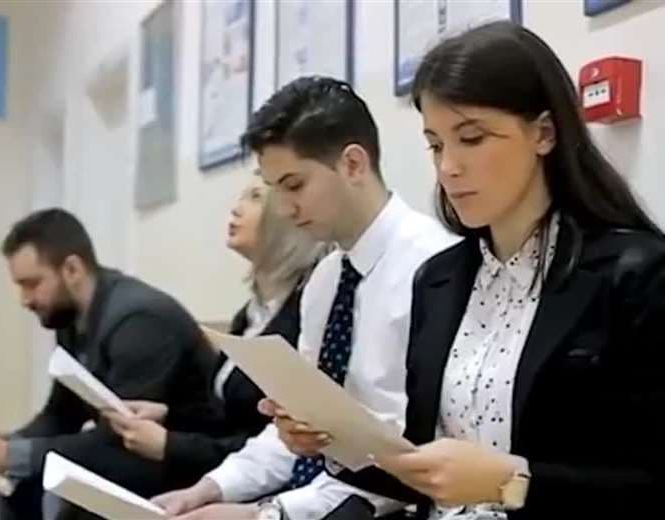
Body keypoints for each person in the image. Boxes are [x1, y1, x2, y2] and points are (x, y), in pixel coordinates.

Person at [279, 21, 665, 519]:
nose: (448, 168)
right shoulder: (438, 279)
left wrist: (514, 482)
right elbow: (426, 466)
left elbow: (649, 479)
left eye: (472, 138)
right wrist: (332, 439)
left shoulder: (634, 274)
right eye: (436, 145)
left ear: (544, 133)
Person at [152, 76, 456, 520]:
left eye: (294, 185)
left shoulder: (434, 269)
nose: (283, 208)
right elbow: (299, 428)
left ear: (353, 165)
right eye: (274, 188)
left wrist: (267, 514)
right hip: (320, 500)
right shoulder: (325, 281)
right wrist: (208, 489)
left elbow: (409, 455)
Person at [0, 209, 222, 520]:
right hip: (134, 458)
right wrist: (5, 445)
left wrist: (10, 455)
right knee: (18, 481)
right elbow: (61, 414)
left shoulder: (139, 321)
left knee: (42, 479)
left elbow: (119, 440)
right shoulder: (72, 318)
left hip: (183, 463)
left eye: (32, 284)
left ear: (72, 269)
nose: (25, 299)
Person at [102, 174, 326, 479]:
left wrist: (171, 446)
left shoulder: (306, 314)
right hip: (222, 473)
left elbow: (273, 446)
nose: (236, 208)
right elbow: (224, 416)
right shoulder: (251, 313)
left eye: (255, 197)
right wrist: (168, 416)